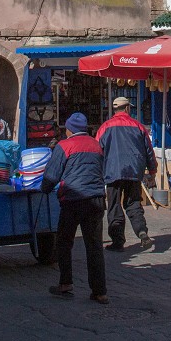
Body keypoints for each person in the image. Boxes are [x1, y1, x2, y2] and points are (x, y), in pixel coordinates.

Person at [42, 112, 109, 304]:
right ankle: (100, 291)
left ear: (69, 129)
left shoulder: (64, 146)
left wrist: (44, 189)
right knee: (95, 246)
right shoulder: (96, 145)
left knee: (64, 242)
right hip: (96, 199)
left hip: (73, 200)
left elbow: (52, 175)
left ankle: (66, 283)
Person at [96, 95, 157, 252]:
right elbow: (149, 151)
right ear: (128, 108)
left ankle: (118, 242)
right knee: (133, 203)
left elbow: (97, 151)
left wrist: (97, 173)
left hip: (112, 172)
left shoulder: (104, 127)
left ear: (114, 109)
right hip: (133, 172)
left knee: (114, 206)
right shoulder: (138, 126)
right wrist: (152, 171)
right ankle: (142, 232)